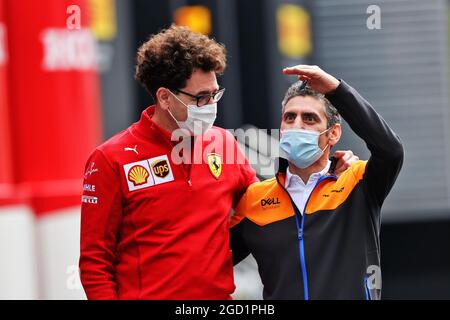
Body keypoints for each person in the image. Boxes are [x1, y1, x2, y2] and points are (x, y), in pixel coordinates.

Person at [79, 25, 357, 300]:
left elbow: (266, 205)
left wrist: (327, 172)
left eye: (215, 94)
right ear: (164, 97)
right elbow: (95, 263)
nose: (212, 104)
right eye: (201, 97)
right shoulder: (111, 158)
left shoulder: (224, 143)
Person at [230, 65, 404, 300]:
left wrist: (337, 90)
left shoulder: (357, 181)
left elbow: (390, 150)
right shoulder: (254, 198)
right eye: (289, 117)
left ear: (333, 133)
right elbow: (211, 261)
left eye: (309, 118)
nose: (297, 125)